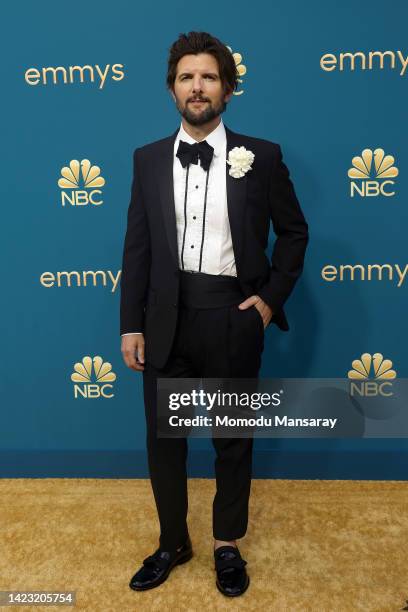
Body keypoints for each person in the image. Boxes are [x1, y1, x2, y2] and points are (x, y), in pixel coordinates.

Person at [120, 30, 308, 597]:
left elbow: (294, 234)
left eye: (208, 77)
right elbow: (137, 247)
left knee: (232, 438)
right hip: (165, 321)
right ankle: (173, 541)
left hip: (232, 317)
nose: (196, 87)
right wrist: (131, 323)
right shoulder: (148, 159)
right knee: (166, 441)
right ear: (172, 90)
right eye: (186, 77)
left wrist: (268, 301)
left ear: (228, 89)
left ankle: (227, 543)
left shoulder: (264, 156)